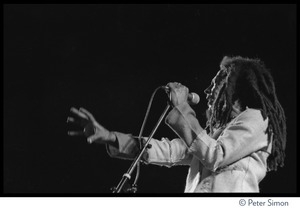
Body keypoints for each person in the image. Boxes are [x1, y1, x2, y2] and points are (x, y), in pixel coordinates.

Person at [67, 56, 286, 192]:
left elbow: (215, 156)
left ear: (237, 87)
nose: (208, 91)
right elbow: (171, 151)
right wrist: (111, 137)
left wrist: (183, 108)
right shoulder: (214, 133)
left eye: (217, 82)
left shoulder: (258, 119)